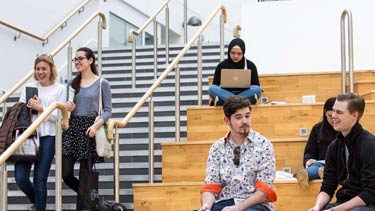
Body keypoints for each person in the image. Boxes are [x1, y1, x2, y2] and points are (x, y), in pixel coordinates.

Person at [200, 96, 276, 211]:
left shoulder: (264, 144)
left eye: (247, 116)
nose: (244, 121)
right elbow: (211, 186)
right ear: (227, 120)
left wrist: (238, 208)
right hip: (224, 202)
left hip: (255, 205)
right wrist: (206, 205)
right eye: (238, 117)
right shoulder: (217, 148)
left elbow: (264, 190)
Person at [62, 47, 112, 210]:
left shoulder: (102, 82)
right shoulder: (71, 83)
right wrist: (67, 107)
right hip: (72, 128)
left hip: (89, 129)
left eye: (80, 58)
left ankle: (87, 204)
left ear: (90, 60)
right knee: (66, 174)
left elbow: (108, 111)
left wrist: (96, 125)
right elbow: (64, 107)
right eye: (75, 59)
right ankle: (92, 199)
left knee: (85, 174)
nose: (77, 62)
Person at [307, 93, 375, 211]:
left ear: (354, 115)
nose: (333, 116)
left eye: (339, 112)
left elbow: (370, 193)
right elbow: (328, 186)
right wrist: (317, 207)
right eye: (333, 111)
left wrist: (336, 210)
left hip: (367, 204)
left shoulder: (369, 145)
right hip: (344, 203)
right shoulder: (334, 146)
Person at [15, 54, 66, 211]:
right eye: (37, 69)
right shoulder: (29, 88)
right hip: (28, 136)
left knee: (40, 180)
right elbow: (21, 113)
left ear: (51, 69)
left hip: (48, 138)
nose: (40, 72)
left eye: (44, 68)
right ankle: (37, 202)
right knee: (21, 178)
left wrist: (41, 108)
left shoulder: (60, 89)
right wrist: (28, 107)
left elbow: (60, 118)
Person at [296, 97, 337, 190]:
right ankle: (305, 174)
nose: (333, 119)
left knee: (326, 168)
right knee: (316, 167)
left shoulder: (345, 129)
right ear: (324, 112)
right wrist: (308, 161)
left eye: (335, 116)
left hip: (338, 164)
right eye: (329, 116)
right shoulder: (318, 129)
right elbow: (309, 151)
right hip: (320, 163)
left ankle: (323, 173)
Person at [208, 38, 262, 106]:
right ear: (229, 52)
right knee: (211, 89)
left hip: (245, 93)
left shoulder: (250, 65)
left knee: (257, 89)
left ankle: (228, 102)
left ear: (243, 53)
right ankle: (242, 102)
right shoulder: (221, 65)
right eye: (233, 53)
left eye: (239, 53)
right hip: (225, 93)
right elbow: (215, 85)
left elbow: (256, 87)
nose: (236, 56)